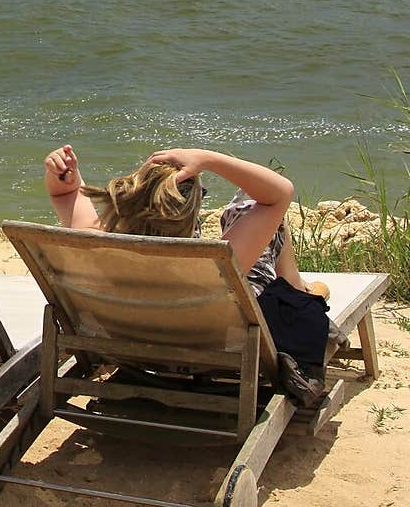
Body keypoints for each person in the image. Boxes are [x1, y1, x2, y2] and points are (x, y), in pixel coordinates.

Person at [43, 143, 331, 408]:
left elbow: (65, 195)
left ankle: (296, 283)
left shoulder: (96, 248)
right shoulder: (213, 268)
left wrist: (68, 175)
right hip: (213, 348)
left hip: (134, 344)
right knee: (245, 205)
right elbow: (279, 193)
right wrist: (207, 159)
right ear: (190, 211)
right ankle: (295, 285)